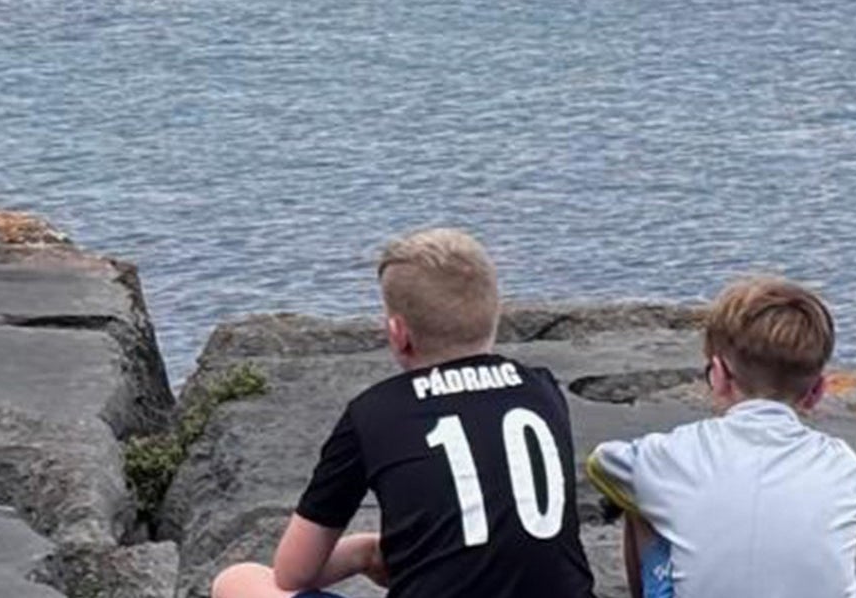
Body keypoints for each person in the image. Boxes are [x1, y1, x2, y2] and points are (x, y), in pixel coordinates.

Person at [211, 228, 595, 598]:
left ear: (398, 333)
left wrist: (365, 553)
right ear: (495, 313)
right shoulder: (542, 389)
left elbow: (294, 572)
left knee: (238, 581)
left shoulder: (373, 413)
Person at [587, 276, 856, 598]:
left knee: (639, 498)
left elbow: (601, 463)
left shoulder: (672, 453)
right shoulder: (845, 467)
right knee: (839, 539)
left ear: (718, 374)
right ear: (817, 391)